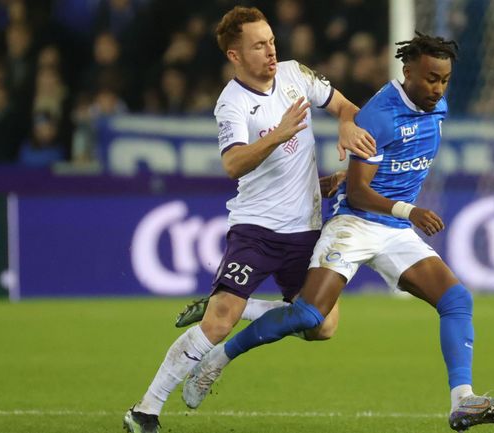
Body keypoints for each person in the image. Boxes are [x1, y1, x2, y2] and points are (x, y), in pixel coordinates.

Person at [182, 32, 494, 432]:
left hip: (393, 228)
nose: (438, 88)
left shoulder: (437, 105)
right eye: (430, 79)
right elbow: (357, 193)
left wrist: (401, 215)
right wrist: (410, 210)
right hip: (354, 224)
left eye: (444, 79)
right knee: (310, 316)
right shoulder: (380, 115)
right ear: (407, 72)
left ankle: (462, 401)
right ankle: (218, 359)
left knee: (457, 299)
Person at [123, 6, 376, 433]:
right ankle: (145, 410)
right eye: (259, 46)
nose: (271, 51)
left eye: (272, 41)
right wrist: (278, 133)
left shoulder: (297, 74)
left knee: (324, 326)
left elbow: (347, 107)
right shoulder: (232, 103)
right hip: (256, 230)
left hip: (305, 231)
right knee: (218, 322)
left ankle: (243, 308)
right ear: (235, 56)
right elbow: (233, 164)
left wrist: (347, 127)